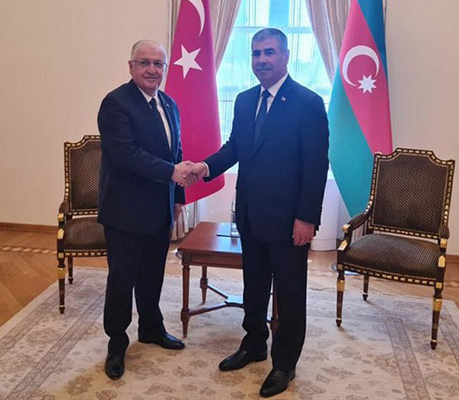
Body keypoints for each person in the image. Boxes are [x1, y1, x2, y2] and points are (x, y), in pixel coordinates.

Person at [190, 28, 329, 397]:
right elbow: (236, 146)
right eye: (256, 53)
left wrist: (307, 218)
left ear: (285, 56)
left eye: (269, 52)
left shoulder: (308, 103)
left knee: (290, 293)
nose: (262, 60)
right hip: (250, 216)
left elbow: (316, 166)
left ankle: (285, 364)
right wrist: (205, 167)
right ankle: (254, 344)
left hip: (289, 222)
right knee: (253, 286)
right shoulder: (244, 100)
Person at [97, 39, 194, 380]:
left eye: (158, 63)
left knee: (152, 275)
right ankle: (117, 342)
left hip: (159, 209)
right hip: (124, 211)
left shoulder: (169, 103)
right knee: (122, 279)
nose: (152, 69)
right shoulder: (115, 104)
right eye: (145, 62)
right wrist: (171, 173)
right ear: (131, 67)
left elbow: (176, 150)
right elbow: (126, 154)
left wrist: (178, 196)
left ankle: (151, 328)